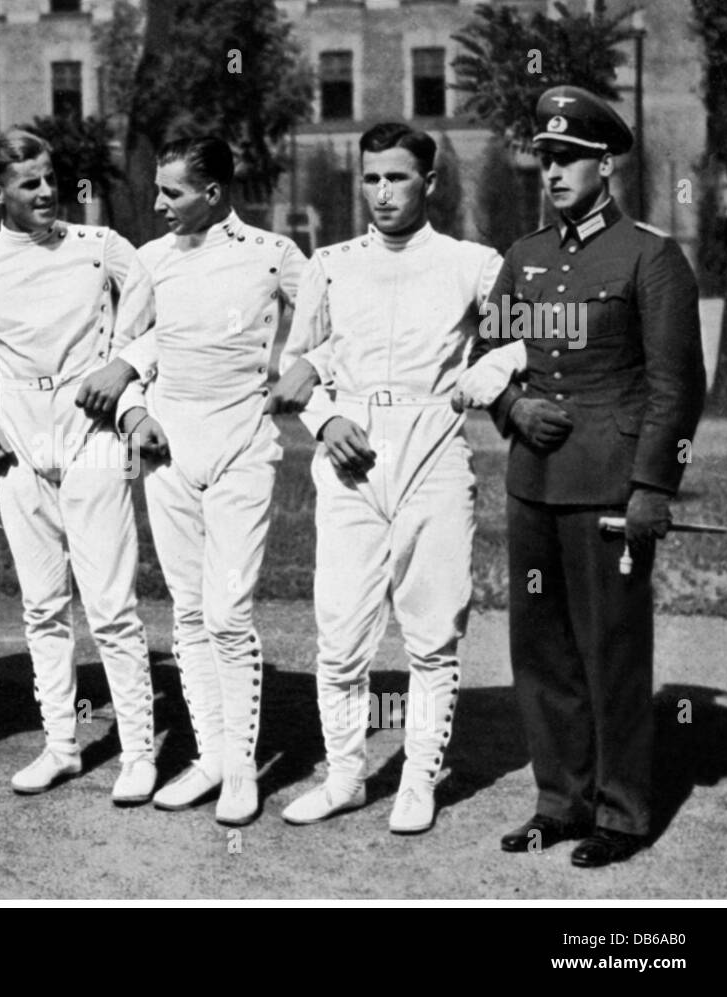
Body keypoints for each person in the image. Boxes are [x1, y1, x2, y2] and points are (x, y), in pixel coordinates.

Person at [475, 87, 705, 867]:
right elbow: (483, 358)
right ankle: (559, 800)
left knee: (611, 648)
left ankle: (622, 811)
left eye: (569, 157)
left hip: (610, 487)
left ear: (605, 165)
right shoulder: (525, 256)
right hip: (534, 482)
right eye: (545, 157)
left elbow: (679, 385)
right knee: (540, 651)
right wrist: (511, 406)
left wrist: (654, 487)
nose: (553, 171)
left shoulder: (650, 254)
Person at [268, 123, 501, 834]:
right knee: (339, 632)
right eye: (371, 178)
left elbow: (518, 344)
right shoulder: (331, 263)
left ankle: (419, 777)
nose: (382, 192)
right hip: (350, 458)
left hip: (432, 450)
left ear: (429, 184)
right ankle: (343, 775)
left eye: (397, 178)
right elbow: (296, 362)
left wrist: (483, 379)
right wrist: (325, 419)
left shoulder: (473, 263)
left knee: (432, 631)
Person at [76, 136, 310, 826]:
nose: (157, 204)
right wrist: (134, 412)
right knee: (185, 608)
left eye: (171, 192)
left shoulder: (274, 254)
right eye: (157, 190)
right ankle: (209, 757)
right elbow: (124, 354)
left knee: (228, 612)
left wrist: (309, 371)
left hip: (242, 444)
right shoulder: (149, 261)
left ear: (213, 192)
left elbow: (330, 325)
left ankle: (242, 769)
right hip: (169, 449)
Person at [0, 128, 156, 803]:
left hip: (95, 439)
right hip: (21, 446)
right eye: (30, 183)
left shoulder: (100, 247)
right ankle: (61, 745)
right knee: (44, 606)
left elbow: (152, 326)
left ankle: (138, 751)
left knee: (111, 606)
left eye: (50, 177)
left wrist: (125, 367)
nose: (48, 191)